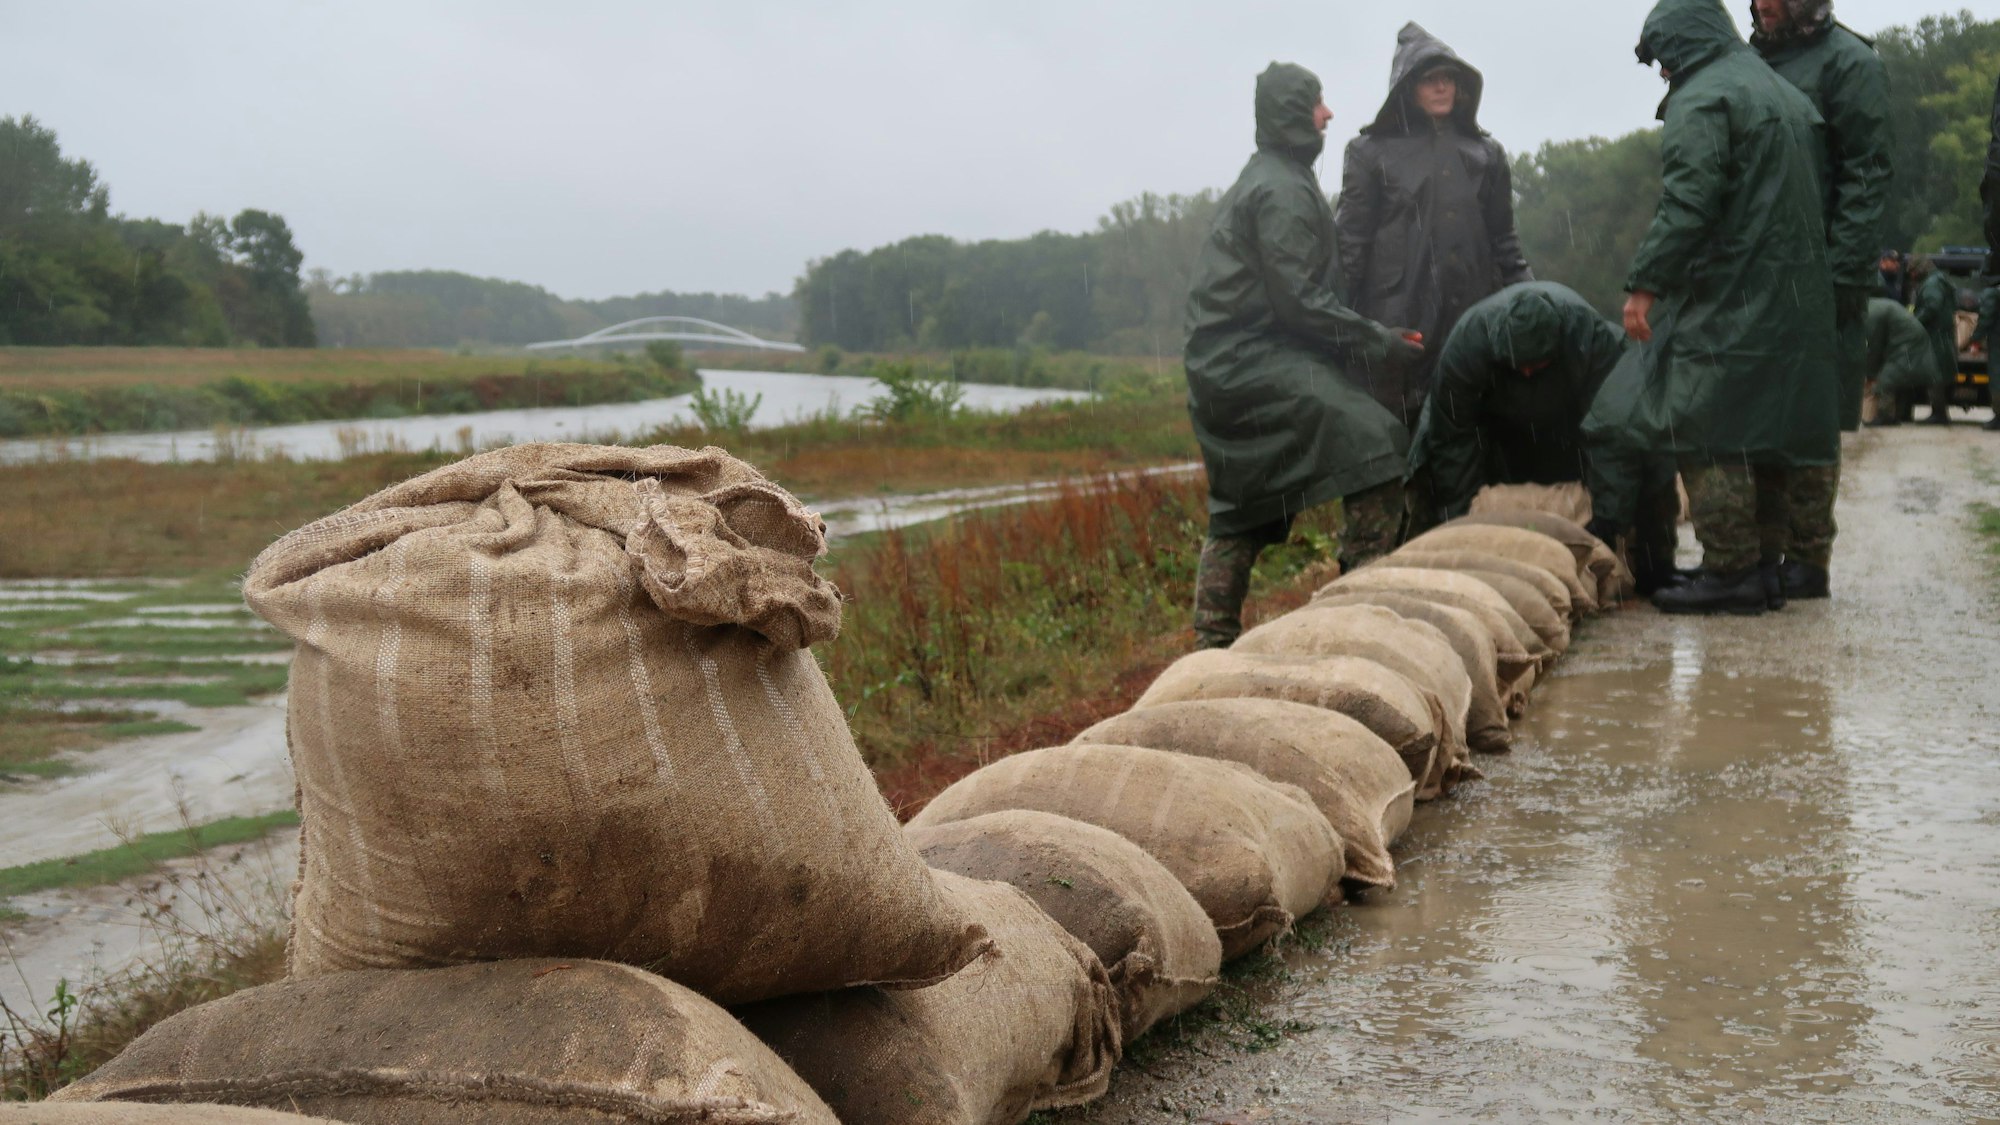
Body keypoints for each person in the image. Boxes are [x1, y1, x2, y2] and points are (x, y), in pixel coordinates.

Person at [1182, 62, 1425, 650]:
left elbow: (1299, 297)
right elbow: (1298, 301)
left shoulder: (1276, 177)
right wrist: (1377, 342)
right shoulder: (1281, 190)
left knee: (1243, 504)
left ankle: (1209, 646)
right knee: (1378, 445)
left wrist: (1371, 332)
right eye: (1319, 102)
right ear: (1295, 112)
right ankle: (1360, 611)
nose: (1329, 113)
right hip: (1250, 361)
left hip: (1230, 365)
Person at [1622, 0, 1839, 616]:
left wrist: (1644, 285)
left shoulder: (1704, 98)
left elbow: (1690, 201)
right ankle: (1765, 568)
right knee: (1767, 426)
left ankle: (1732, 569)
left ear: (1682, 45)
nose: (1664, 74)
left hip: (1735, 287)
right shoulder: (1782, 92)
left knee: (1704, 421)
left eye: (1664, 59)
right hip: (1794, 290)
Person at [1404, 281, 1682, 593]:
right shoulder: (1466, 348)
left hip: (1572, 428)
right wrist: (1460, 522)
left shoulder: (1591, 341)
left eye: (1536, 365)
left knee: (1650, 448)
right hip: (1498, 435)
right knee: (1428, 469)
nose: (1526, 372)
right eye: (1518, 365)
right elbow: (1453, 440)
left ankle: (1655, 568)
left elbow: (1612, 435)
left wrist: (1606, 523)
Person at [1749, 0, 1892, 600]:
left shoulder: (1850, 62)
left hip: (1821, 265)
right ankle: (1761, 553)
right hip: (1753, 271)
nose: (1762, 4)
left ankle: (1808, 559)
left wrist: (1841, 274)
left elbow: (1865, 173)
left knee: (1810, 415)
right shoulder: (1745, 61)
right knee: (1753, 411)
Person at [1335, 22, 1533, 431]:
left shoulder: (1485, 153)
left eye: (1449, 78)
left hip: (1473, 319)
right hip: (1398, 323)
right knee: (1398, 442)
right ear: (1408, 87)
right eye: (1430, 79)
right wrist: (1340, 325)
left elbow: (1505, 243)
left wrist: (1532, 307)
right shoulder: (1369, 153)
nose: (1442, 87)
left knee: (1472, 437)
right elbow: (1351, 244)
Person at [1863, 297, 1948, 425]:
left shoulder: (1872, 314)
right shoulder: (1874, 306)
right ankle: (1897, 415)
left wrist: (1871, 373)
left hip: (1907, 343)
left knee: (1887, 378)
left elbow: (1874, 346)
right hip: (1908, 340)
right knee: (1898, 379)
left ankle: (1885, 416)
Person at [1910, 255, 1960, 426]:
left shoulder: (1931, 284)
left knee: (1934, 374)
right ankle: (1939, 412)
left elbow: (1932, 306)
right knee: (1937, 373)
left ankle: (1939, 413)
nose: (1912, 275)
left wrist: (1914, 323)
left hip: (1935, 336)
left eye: (1913, 271)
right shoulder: (1938, 281)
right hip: (1941, 335)